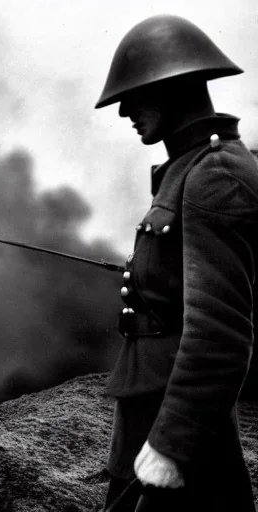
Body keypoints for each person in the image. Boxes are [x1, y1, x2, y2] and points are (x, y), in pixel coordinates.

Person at [94, 14, 258, 511]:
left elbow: (220, 334)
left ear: (175, 88)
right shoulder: (188, 168)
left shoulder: (216, 174)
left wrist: (171, 446)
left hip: (182, 420)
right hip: (154, 401)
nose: (125, 111)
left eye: (136, 95)